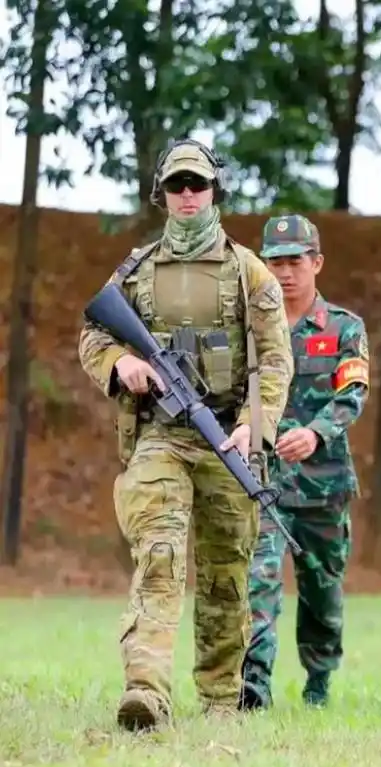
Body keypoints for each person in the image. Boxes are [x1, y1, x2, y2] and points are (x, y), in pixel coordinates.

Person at [77, 139, 294, 731]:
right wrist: (120, 367)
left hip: (229, 438)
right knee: (160, 554)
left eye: (198, 183)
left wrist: (256, 423)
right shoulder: (136, 272)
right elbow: (94, 335)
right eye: (177, 186)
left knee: (226, 571)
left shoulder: (250, 274)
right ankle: (145, 690)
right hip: (161, 437)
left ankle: (222, 700)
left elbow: (275, 360)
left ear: (214, 189)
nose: (189, 195)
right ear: (162, 195)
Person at [240, 213, 370, 711]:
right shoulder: (248, 329)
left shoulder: (343, 327)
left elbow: (353, 390)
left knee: (322, 591)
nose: (285, 273)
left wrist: (316, 433)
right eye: (274, 263)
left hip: (323, 485)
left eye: (295, 261)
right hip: (262, 481)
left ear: (316, 262)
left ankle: (319, 681)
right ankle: (255, 685)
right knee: (258, 582)